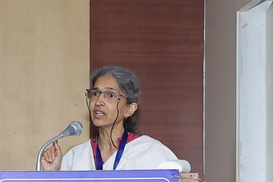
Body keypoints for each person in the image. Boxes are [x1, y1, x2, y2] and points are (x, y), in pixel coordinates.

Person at [40, 65, 179, 171]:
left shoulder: (150, 152)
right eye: (95, 93)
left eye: (110, 95)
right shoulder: (75, 157)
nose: (98, 101)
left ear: (130, 109)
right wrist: (52, 174)